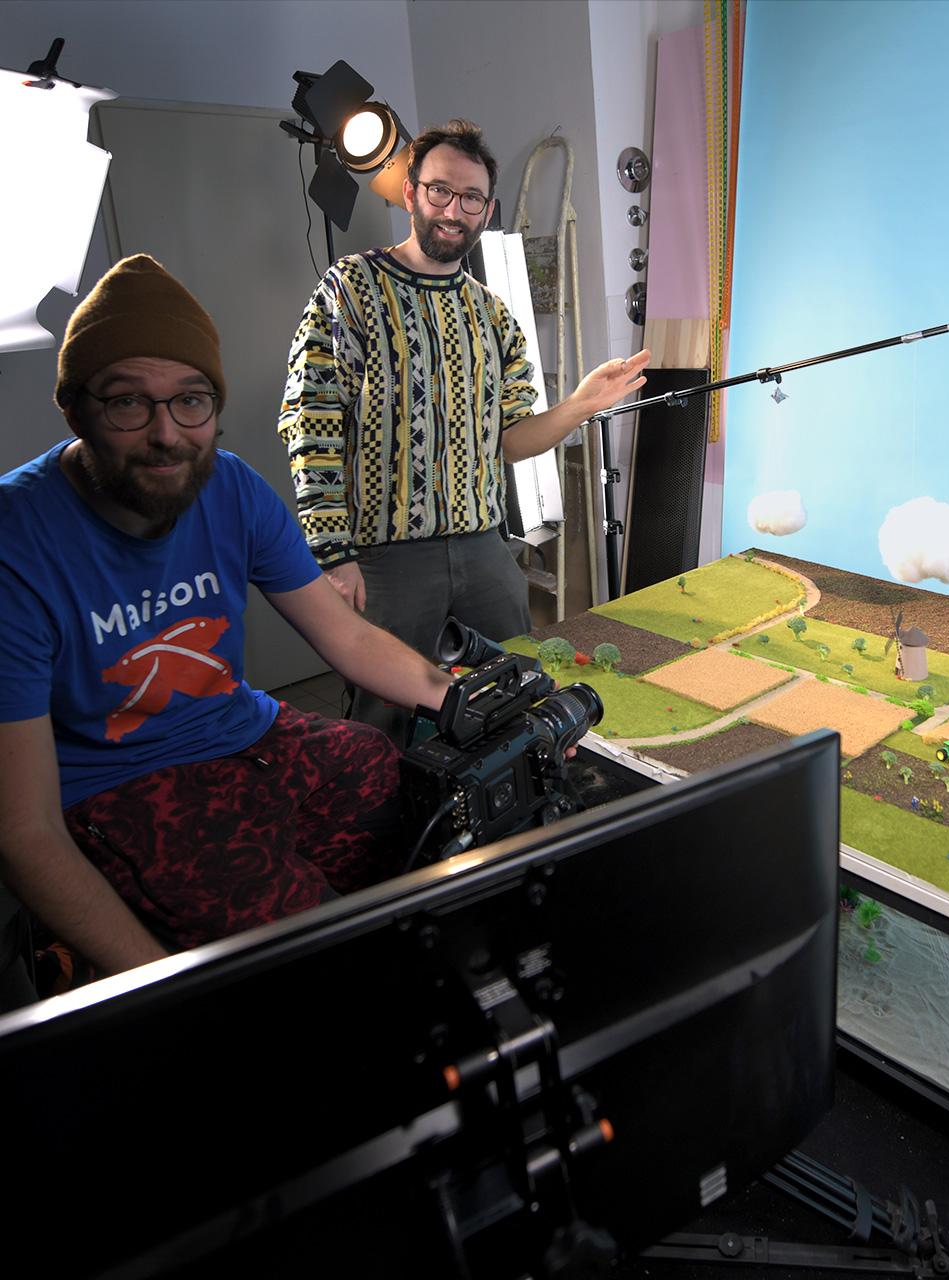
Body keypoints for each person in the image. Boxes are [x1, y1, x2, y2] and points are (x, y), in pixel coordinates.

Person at [0, 254, 453, 988]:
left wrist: (460, 700)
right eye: (127, 402)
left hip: (242, 731)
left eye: (191, 401)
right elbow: (22, 832)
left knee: (378, 766)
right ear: (75, 410)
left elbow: (345, 635)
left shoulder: (232, 487)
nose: (167, 434)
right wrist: (164, 987)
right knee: (299, 932)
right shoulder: (14, 542)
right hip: (118, 781)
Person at [279, 118, 649, 741]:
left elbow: (512, 440)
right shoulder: (350, 289)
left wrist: (581, 404)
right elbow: (311, 424)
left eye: (471, 198)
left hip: (484, 548)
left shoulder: (493, 314)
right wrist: (332, 555)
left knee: (514, 699)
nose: (454, 210)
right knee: (385, 721)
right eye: (440, 191)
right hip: (386, 558)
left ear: (488, 209)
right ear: (410, 193)